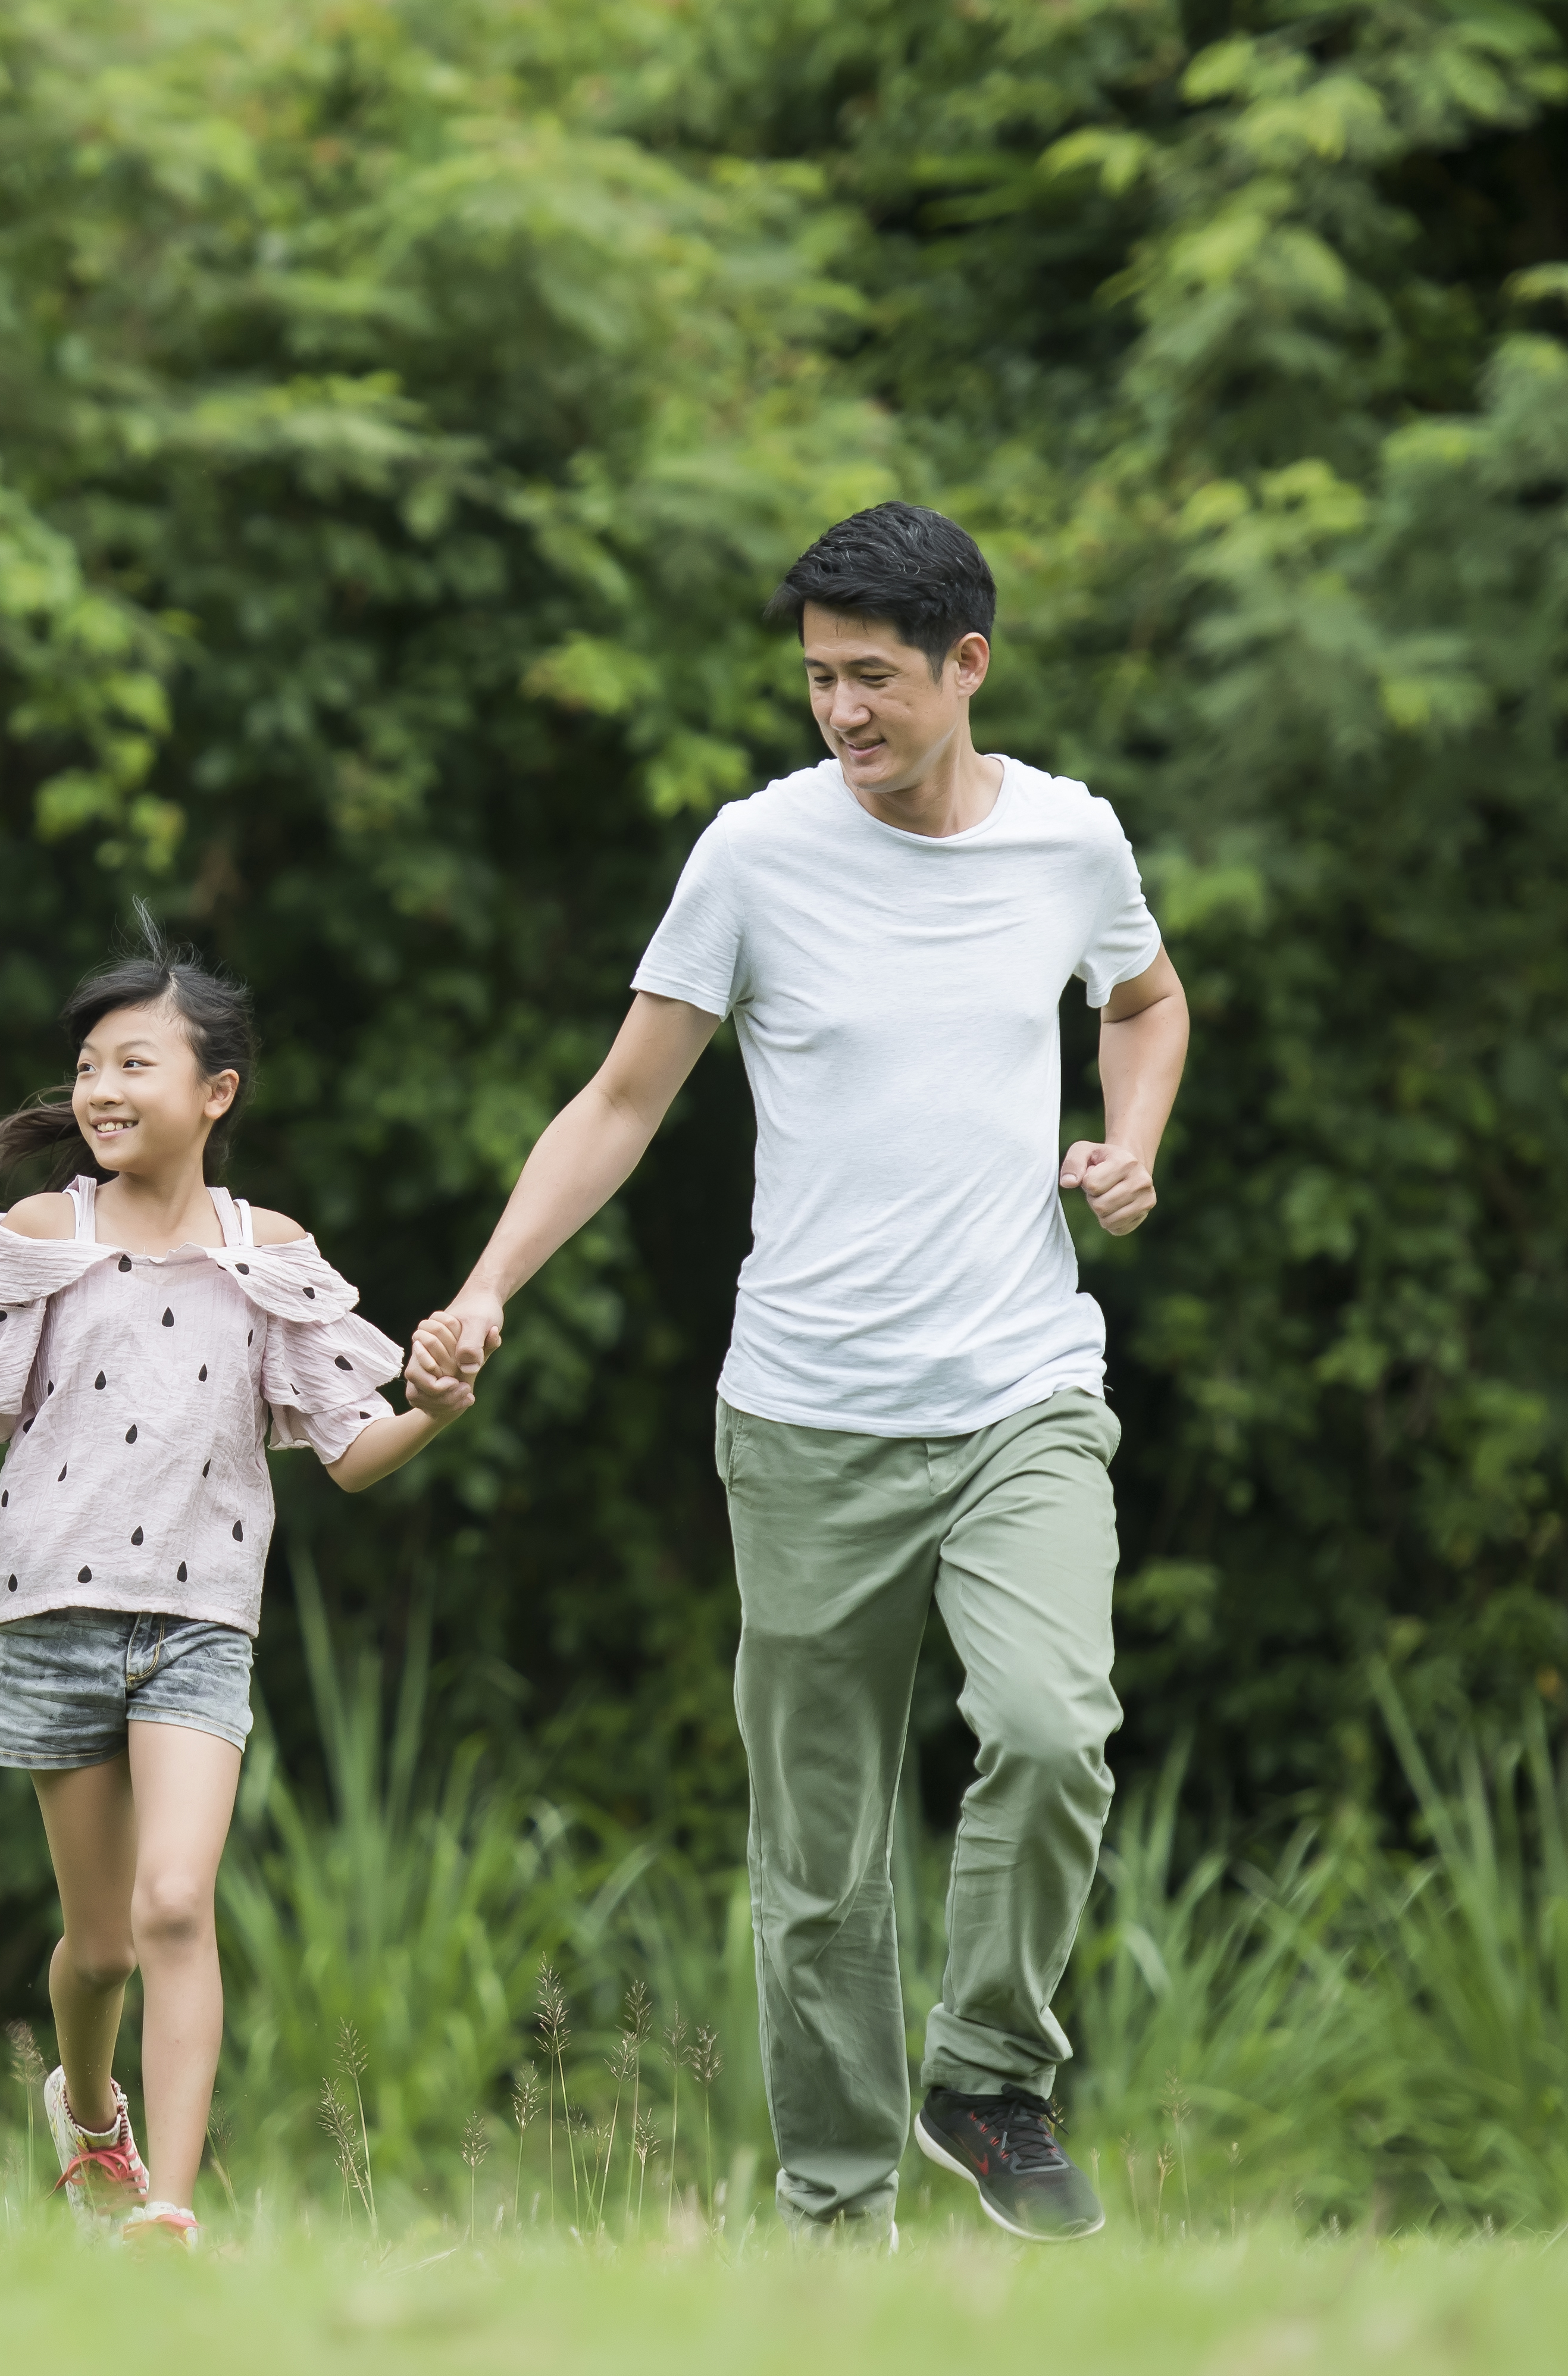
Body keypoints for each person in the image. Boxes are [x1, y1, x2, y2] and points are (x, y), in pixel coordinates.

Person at [410, 503, 1191, 2243]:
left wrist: (1129, 1139)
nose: (842, 712)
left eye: (875, 679)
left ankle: (990, 2076)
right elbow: (623, 1101)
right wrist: (486, 1286)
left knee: (1056, 1731)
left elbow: (1144, 1002)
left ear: (966, 665)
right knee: (822, 1871)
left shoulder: (1069, 842)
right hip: (807, 1419)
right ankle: (838, 2220)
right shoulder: (755, 857)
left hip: (1020, 1392)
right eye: (819, 679)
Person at [0, 950, 475, 2248]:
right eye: (86, 1067)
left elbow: (350, 1450)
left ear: (215, 1090)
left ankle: (169, 2204)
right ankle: (86, 2106)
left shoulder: (267, 1252)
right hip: (51, 1610)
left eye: (134, 1062)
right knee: (104, 1948)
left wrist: (433, 1409)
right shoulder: (42, 1239)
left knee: (176, 1901)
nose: (99, 1088)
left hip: (199, 1618)